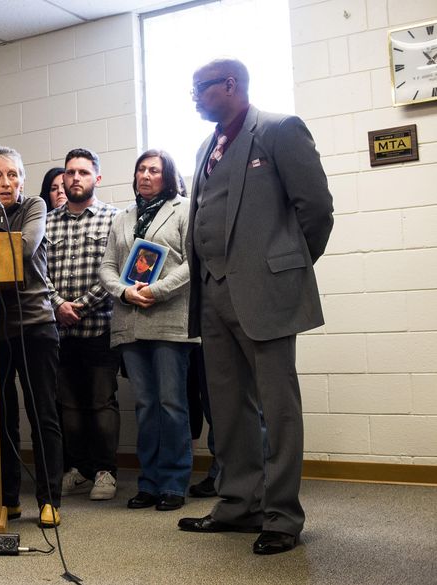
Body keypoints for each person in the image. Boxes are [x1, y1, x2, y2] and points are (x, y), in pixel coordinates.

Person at [179, 58, 333, 555]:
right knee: (228, 408)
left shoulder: (280, 130)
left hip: (265, 292)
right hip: (212, 292)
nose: (195, 98)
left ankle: (283, 516)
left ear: (231, 85)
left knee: (278, 406)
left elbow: (316, 208)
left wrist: (286, 266)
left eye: (200, 89)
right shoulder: (207, 146)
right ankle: (239, 505)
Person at [99, 149, 198, 512]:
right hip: (129, 322)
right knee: (145, 406)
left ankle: (173, 483)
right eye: (140, 169)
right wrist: (124, 291)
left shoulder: (184, 208)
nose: (145, 175)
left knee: (172, 405)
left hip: (170, 320)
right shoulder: (123, 217)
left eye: (153, 170)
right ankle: (149, 482)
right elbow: (108, 265)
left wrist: (156, 291)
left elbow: (193, 262)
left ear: (167, 175)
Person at [0, 146, 64, 528]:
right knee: (1, 417)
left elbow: (23, 249)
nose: (6, 183)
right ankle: (8, 498)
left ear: (23, 180)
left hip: (36, 324)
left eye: (13, 175)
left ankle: (49, 499)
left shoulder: (34, 206)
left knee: (43, 414)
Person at [44, 148, 120, 501]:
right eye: (71, 172)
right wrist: (58, 305)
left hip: (100, 328)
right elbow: (37, 271)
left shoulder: (113, 218)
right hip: (60, 331)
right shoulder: (48, 221)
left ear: (96, 178)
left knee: (102, 403)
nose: (76, 178)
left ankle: (105, 471)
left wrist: (82, 306)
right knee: (69, 406)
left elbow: (116, 270)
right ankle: (78, 468)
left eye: (83, 173)